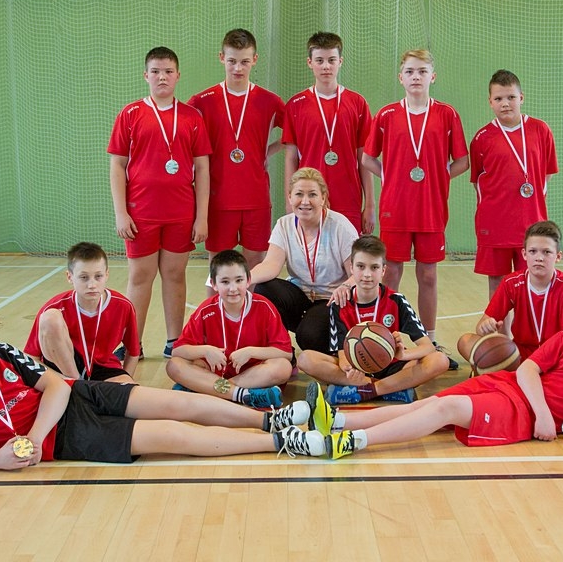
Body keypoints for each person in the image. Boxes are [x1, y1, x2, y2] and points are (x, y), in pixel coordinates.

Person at [0, 293, 323, 471]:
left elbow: (56, 385)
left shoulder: (4, 353)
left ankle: (269, 419)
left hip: (76, 396)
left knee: (176, 404)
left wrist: (33, 437)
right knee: (172, 434)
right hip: (68, 437)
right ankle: (282, 441)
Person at [305, 284, 563, 459]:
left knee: (446, 408)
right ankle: (338, 421)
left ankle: (354, 442)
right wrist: (546, 412)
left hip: (523, 415)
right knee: (426, 405)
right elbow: (528, 370)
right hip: (512, 387)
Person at [361, 49, 469, 366]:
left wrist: (439, 176)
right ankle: (381, 338)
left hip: (431, 208)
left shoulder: (447, 115)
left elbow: (462, 161)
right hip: (395, 207)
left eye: (422, 71)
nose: (416, 77)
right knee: (391, 272)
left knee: (429, 275)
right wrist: (391, 176)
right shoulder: (387, 115)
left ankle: (430, 341)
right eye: (410, 71)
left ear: (432, 76)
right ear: (401, 77)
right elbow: (367, 158)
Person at [108, 46, 211, 359]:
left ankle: (174, 341)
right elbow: (117, 165)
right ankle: (132, 344)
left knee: (175, 275)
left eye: (168, 71)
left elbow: (203, 168)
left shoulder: (192, 117)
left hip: (181, 212)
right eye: (155, 71)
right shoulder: (130, 114)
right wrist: (121, 213)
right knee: (140, 277)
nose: (162, 77)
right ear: (146, 75)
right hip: (141, 213)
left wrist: (202, 217)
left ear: (178, 75)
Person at [297, 235, 450, 405]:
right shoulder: (340, 304)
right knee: (305, 359)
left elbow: (428, 347)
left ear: (383, 270)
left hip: (392, 365)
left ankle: (366, 390)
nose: (367, 274)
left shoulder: (396, 301)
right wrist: (349, 369)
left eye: (374, 267)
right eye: (361, 266)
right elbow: (342, 353)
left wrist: (404, 354)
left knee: (439, 360)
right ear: (351, 268)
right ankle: (393, 388)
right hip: (358, 368)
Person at [187, 28, 285, 281]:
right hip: (219, 199)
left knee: (255, 263)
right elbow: (186, 143)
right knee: (218, 264)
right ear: (221, 58)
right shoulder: (202, 101)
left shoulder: (270, 101)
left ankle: (252, 308)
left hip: (256, 197)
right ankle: (215, 308)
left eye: (244, 61)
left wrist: (268, 150)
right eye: (232, 61)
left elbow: (294, 135)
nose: (238, 68)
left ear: (255, 59)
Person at [470, 70, 558, 298]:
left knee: (530, 280)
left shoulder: (541, 130)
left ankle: (526, 323)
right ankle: (500, 324)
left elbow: (547, 173)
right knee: (497, 282)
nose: (505, 103)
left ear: (521, 97)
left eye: (511, 97)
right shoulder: (481, 138)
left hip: (531, 224)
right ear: (490, 102)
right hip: (494, 223)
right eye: (498, 98)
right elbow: (478, 182)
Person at [250, 167, 358, 353]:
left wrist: (346, 286)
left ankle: (329, 340)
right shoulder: (284, 224)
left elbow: (357, 273)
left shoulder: (340, 226)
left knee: (309, 336)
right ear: (290, 197)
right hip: (300, 296)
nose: (305, 201)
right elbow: (271, 265)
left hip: (330, 299)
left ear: (323, 198)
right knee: (263, 288)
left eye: (312, 195)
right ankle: (282, 349)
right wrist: (245, 278)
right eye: (299, 194)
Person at [165, 250, 292, 407]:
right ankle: (243, 395)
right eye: (225, 282)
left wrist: (251, 352)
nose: (233, 288)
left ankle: (208, 391)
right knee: (174, 365)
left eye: (239, 280)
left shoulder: (264, 307)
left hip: (252, 375)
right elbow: (177, 351)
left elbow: (285, 353)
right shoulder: (206, 310)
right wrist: (205, 351)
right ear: (213, 284)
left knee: (283, 367)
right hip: (214, 371)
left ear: (248, 280)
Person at [282, 32, 375, 234]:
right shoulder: (296, 105)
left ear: (340, 61)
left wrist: (370, 205)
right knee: (309, 252)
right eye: (320, 60)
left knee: (348, 253)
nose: (326, 66)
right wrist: (290, 201)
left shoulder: (357, 103)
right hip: (308, 199)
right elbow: (290, 158)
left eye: (331, 60)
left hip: (348, 197)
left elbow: (364, 158)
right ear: (309, 62)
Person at [456, 221, 563, 368]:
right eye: (533, 251)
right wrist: (485, 327)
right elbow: (481, 326)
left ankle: (499, 374)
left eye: (546, 252)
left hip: (554, 356)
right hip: (519, 356)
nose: (539, 258)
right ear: (524, 254)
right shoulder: (512, 283)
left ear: (558, 256)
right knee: (465, 341)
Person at [24, 242, 140, 383]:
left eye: (98, 276)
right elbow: (31, 358)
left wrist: (125, 385)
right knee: (50, 318)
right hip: (61, 370)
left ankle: (79, 390)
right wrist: (57, 380)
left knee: (130, 390)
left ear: (107, 275)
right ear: (69, 277)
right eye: (84, 277)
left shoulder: (123, 306)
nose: (92, 285)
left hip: (102, 367)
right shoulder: (54, 307)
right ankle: (75, 383)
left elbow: (133, 352)